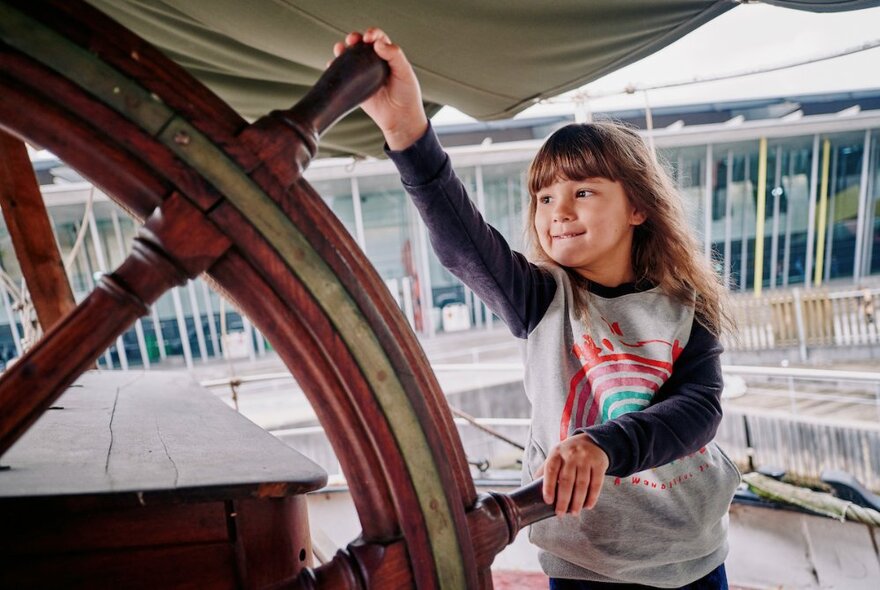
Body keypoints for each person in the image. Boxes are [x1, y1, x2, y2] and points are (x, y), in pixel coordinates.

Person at [333, 29, 742, 589]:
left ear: (639, 208)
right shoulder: (541, 298)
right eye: (545, 197)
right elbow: (461, 242)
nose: (558, 211)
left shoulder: (683, 306)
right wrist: (407, 133)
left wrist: (602, 443)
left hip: (691, 549)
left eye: (584, 191)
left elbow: (699, 409)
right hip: (586, 558)